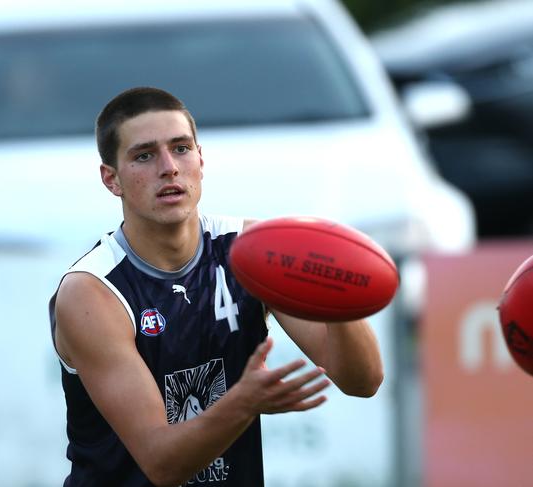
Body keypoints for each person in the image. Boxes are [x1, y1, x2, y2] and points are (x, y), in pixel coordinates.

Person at [48, 86, 384, 487]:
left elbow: (363, 381)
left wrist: (339, 303)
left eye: (181, 148)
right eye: (144, 155)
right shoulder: (92, 292)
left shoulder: (253, 252)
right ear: (112, 179)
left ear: (201, 159)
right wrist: (242, 403)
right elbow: (162, 464)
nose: (169, 167)